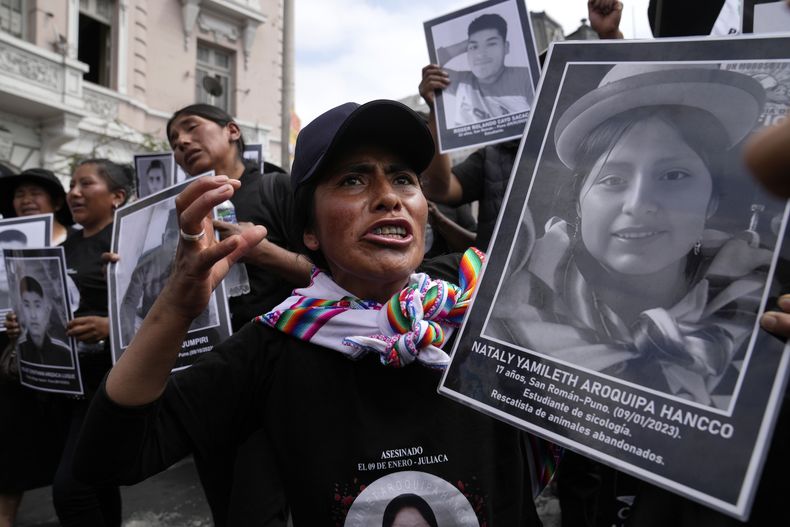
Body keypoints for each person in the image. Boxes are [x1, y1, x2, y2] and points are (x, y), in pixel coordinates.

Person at [72, 100, 547, 525]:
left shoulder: (480, 307)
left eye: (404, 178)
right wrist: (174, 307)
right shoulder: (273, 347)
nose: (389, 197)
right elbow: (112, 459)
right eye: (353, 179)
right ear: (310, 232)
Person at [488, 63, 777, 408]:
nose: (639, 205)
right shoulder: (500, 299)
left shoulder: (766, 302)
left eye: (673, 175)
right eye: (612, 180)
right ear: (579, 202)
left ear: (712, 200)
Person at [3, 158, 132, 527]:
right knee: (96, 484)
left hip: (109, 385)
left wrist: (111, 326)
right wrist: (21, 324)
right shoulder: (69, 243)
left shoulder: (128, 242)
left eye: (86, 184)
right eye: (72, 184)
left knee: (70, 491)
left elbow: (162, 309)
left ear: (116, 197)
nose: (74, 192)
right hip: (65, 387)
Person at [432, 12, 532, 127]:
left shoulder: (525, 77)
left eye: (491, 44)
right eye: (474, 47)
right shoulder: (461, 81)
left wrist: (475, 42)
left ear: (506, 47)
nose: (480, 54)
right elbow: (431, 66)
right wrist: (466, 43)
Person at [0, 167, 75, 245]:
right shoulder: (4, 243)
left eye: (35, 193)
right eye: (20, 195)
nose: (26, 201)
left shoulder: (79, 241)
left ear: (57, 203)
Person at [16, 276, 72, 367]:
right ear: (21, 309)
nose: (33, 315)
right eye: (27, 305)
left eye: (37, 306)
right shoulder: (20, 348)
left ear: (47, 309)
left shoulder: (64, 352)